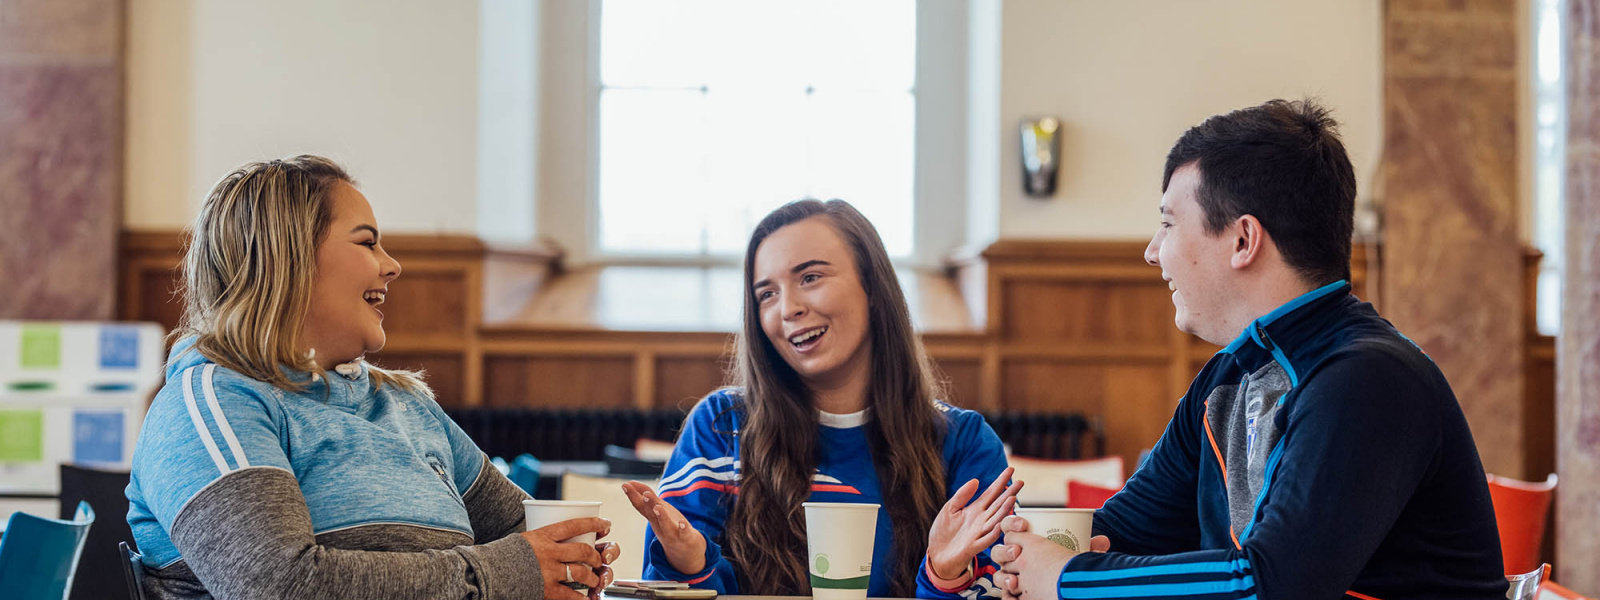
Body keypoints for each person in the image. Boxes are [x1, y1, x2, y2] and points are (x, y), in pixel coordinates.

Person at [992, 100, 1508, 599]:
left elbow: (1274, 587)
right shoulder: (1226, 378)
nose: (1153, 252)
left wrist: (1069, 579)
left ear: (1243, 241)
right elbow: (1124, 530)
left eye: (1169, 223)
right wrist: (1006, 557)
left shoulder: (1368, 379)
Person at [126, 155, 618, 599]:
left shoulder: (403, 403)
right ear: (290, 259)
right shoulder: (212, 400)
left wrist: (578, 560)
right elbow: (276, 585)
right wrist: (497, 576)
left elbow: (523, 532)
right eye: (367, 243)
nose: (392, 266)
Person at [619, 199, 1021, 598]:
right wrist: (690, 564)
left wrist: (945, 577)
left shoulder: (962, 441)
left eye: (810, 277)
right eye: (767, 294)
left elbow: (999, 587)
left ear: (873, 287)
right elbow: (662, 591)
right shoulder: (722, 426)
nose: (788, 308)